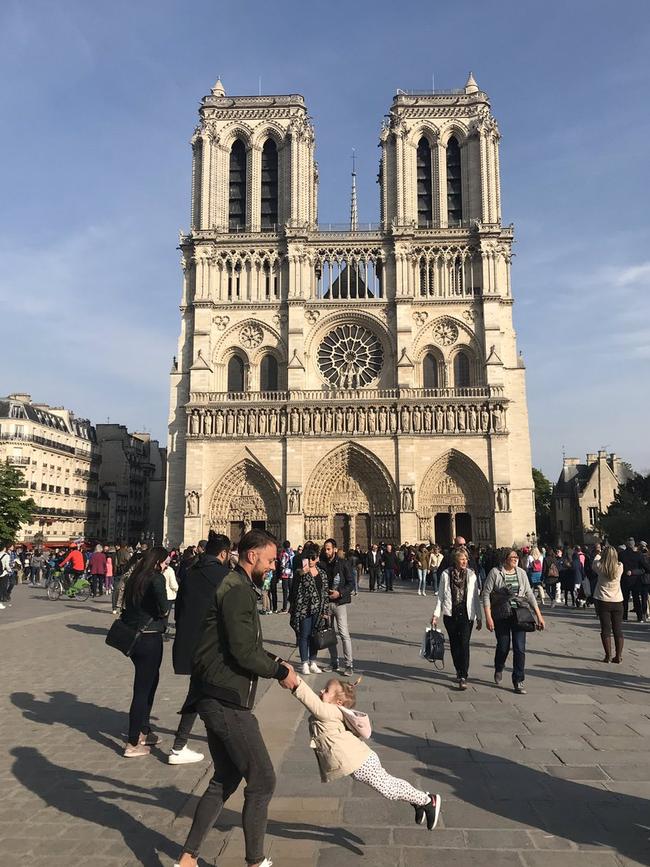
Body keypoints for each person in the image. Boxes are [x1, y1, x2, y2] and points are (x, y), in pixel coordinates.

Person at [174, 529, 298, 867]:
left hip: (213, 692)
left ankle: (186, 859)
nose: (275, 566)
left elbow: (242, 644)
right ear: (253, 555)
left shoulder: (236, 585)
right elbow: (243, 652)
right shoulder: (238, 589)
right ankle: (255, 862)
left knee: (225, 778)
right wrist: (280, 672)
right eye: (271, 559)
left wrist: (276, 661)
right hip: (225, 696)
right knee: (262, 781)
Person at [289, 675, 442, 829]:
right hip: (360, 760)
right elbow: (315, 704)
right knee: (390, 784)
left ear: (339, 702)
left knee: (389, 789)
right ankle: (418, 800)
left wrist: (294, 681)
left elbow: (311, 700)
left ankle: (428, 801)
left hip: (361, 762)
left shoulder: (329, 711)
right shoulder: (329, 711)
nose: (321, 691)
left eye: (326, 690)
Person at [170, 531, 231, 765]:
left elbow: (179, 610)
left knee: (199, 691)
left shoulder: (190, 572)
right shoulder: (225, 575)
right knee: (217, 691)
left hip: (190, 643)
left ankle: (180, 744)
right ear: (224, 553)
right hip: (213, 644)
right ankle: (182, 745)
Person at [121, 546, 171, 757]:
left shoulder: (135, 578)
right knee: (143, 689)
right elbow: (164, 608)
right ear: (158, 561)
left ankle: (144, 730)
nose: (167, 564)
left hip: (135, 638)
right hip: (149, 638)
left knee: (149, 683)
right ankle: (133, 742)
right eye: (166, 561)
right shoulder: (156, 578)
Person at [482, 549, 545, 694]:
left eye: (516, 557)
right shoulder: (495, 572)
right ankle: (499, 666)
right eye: (512, 557)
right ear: (505, 559)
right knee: (503, 646)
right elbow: (486, 594)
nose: (515, 559)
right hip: (501, 614)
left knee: (519, 648)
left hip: (520, 614)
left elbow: (529, 594)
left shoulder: (521, 573)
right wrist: (488, 616)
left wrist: (538, 615)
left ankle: (518, 680)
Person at [431, 548, 482, 689]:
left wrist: (479, 617)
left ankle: (463, 674)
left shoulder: (472, 575)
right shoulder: (446, 575)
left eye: (466, 559)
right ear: (456, 560)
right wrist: (436, 615)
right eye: (462, 559)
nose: (465, 561)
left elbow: (475, 598)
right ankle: (458, 670)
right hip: (451, 613)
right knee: (454, 644)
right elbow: (441, 596)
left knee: (464, 643)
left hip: (467, 613)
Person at [289, 541, 330, 675]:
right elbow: (294, 589)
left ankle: (313, 661)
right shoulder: (301, 572)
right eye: (309, 558)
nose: (311, 561)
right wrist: (301, 573)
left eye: (313, 558)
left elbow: (324, 592)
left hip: (318, 609)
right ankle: (304, 663)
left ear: (317, 558)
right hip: (304, 609)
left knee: (314, 636)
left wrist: (325, 610)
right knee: (304, 635)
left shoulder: (322, 573)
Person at [320, 540, 356, 675]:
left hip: (339, 603)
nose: (326, 551)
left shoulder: (343, 563)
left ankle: (349, 664)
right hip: (327, 604)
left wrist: (339, 593)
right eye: (325, 549)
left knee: (344, 634)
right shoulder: (322, 564)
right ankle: (334, 662)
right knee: (329, 634)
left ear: (334, 549)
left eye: (328, 549)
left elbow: (351, 583)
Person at [592, 545, 624, 663]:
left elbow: (595, 561)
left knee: (605, 629)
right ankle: (619, 656)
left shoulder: (600, 566)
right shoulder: (620, 567)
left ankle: (608, 656)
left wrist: (599, 552)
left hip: (603, 600)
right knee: (618, 629)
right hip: (617, 600)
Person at [619, 538, 648, 623]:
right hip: (635, 580)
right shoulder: (639, 555)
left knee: (625, 599)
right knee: (636, 599)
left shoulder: (621, 555)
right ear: (634, 545)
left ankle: (624, 616)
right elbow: (644, 568)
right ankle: (639, 617)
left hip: (624, 579)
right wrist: (634, 572)